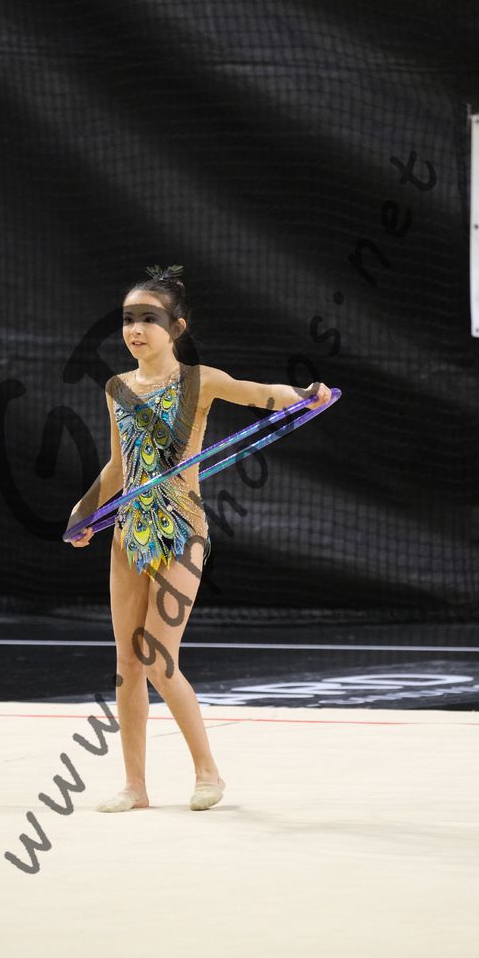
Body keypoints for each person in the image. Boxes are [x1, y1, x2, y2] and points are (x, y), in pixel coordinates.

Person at [67, 265, 333, 812]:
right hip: (129, 531)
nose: (135, 329)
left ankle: (208, 771)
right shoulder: (117, 389)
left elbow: (259, 394)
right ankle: (135, 786)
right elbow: (118, 467)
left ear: (176, 327)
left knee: (159, 658)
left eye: (149, 319)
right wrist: (84, 510)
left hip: (182, 529)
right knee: (128, 664)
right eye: (128, 319)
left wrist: (306, 395)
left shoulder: (198, 380)